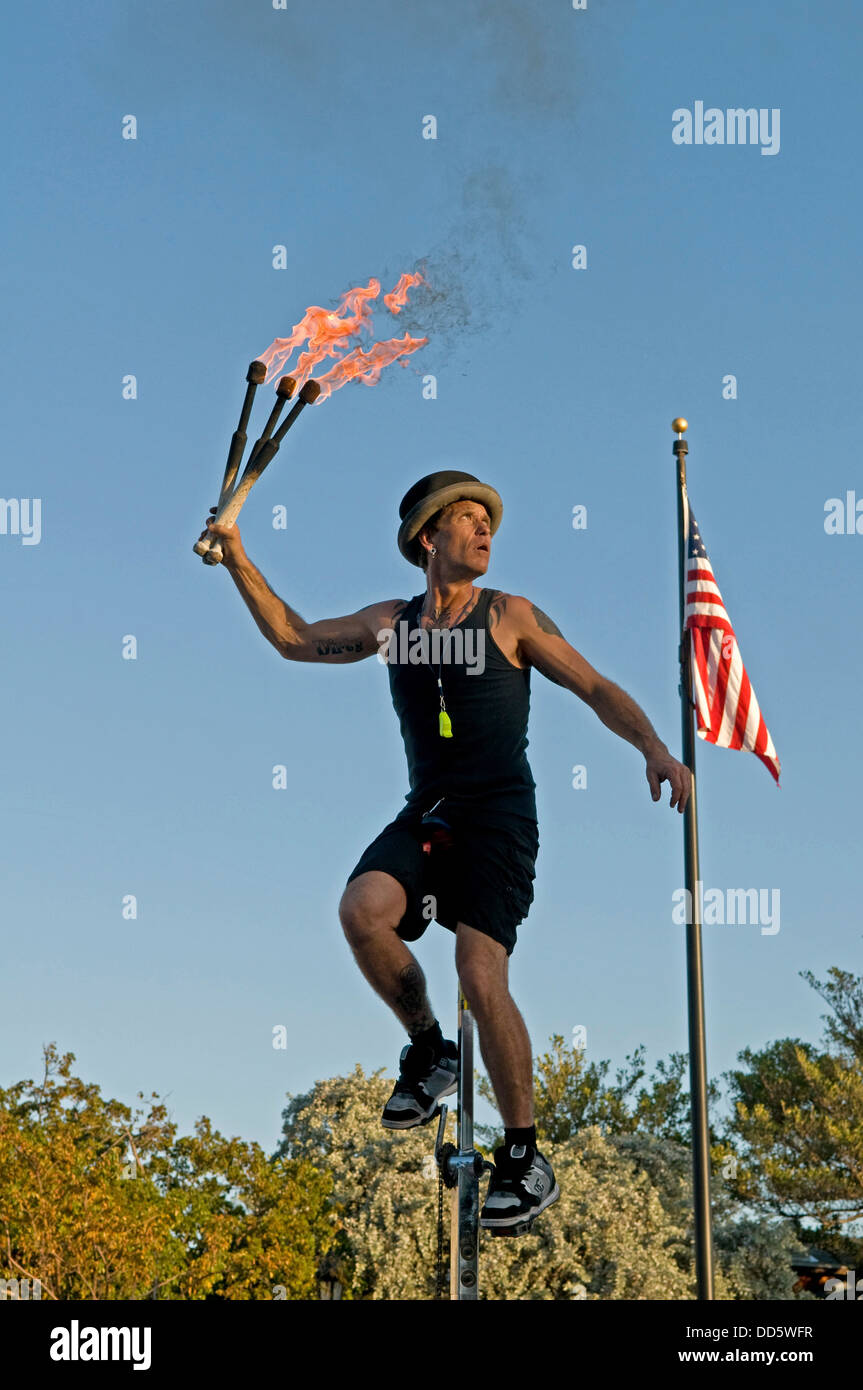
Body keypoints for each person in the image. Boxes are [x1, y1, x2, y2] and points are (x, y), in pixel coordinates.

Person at [200, 469, 691, 1236]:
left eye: (486, 519)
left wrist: (653, 747)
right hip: (429, 812)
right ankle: (429, 1050)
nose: (483, 529)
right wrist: (234, 554)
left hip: (498, 817)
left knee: (476, 967)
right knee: (362, 912)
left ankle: (524, 1155)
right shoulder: (390, 624)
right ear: (428, 539)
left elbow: (594, 687)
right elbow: (294, 639)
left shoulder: (510, 616)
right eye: (466, 519)